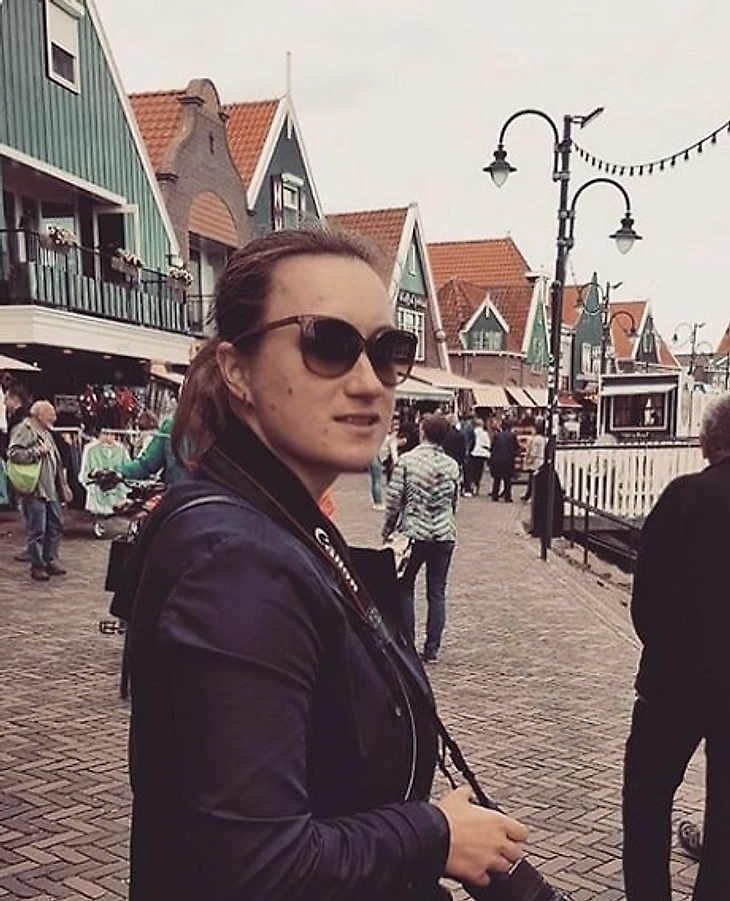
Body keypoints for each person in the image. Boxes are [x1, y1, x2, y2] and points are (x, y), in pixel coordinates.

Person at [124, 229, 528, 900]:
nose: (368, 382)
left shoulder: (276, 521)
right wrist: (433, 834)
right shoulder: (238, 563)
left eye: (387, 351)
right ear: (236, 369)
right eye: (328, 344)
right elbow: (258, 866)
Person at [622, 392, 730, 901]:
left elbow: (645, 597)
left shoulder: (684, 496)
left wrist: (668, 649)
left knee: (647, 800)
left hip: (674, 684)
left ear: (709, 439)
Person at [383, 413, 460, 665]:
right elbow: (454, 500)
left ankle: (407, 643)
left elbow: (394, 500)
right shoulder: (451, 465)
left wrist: (388, 528)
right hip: (443, 533)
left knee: (405, 587)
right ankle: (432, 648)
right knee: (437, 591)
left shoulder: (407, 461)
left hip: (414, 533)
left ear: (422, 432)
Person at [7, 400, 72, 581]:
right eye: (50, 413)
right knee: (37, 529)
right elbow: (13, 453)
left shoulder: (46, 432)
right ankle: (37, 565)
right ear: (38, 414)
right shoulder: (25, 430)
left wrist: (62, 486)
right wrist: (36, 452)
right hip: (35, 489)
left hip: (50, 490)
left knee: (55, 525)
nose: (54, 417)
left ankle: (50, 559)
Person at [489, 418, 520, 502]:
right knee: (507, 479)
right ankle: (507, 496)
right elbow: (516, 447)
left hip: (497, 460)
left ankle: (495, 495)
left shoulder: (497, 436)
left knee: (497, 479)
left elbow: (492, 447)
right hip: (508, 460)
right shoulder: (512, 436)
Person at [521, 420, 546, 502]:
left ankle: (530, 495)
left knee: (532, 480)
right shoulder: (543, 439)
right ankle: (529, 495)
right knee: (536, 480)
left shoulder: (535, 439)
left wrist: (529, 461)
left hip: (535, 462)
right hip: (541, 460)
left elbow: (533, 452)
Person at [469, 417, 491, 495]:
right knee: (479, 471)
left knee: (472, 471)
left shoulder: (472, 432)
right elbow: (488, 445)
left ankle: (472, 485)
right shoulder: (485, 433)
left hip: (473, 453)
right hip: (482, 454)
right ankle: (477, 486)